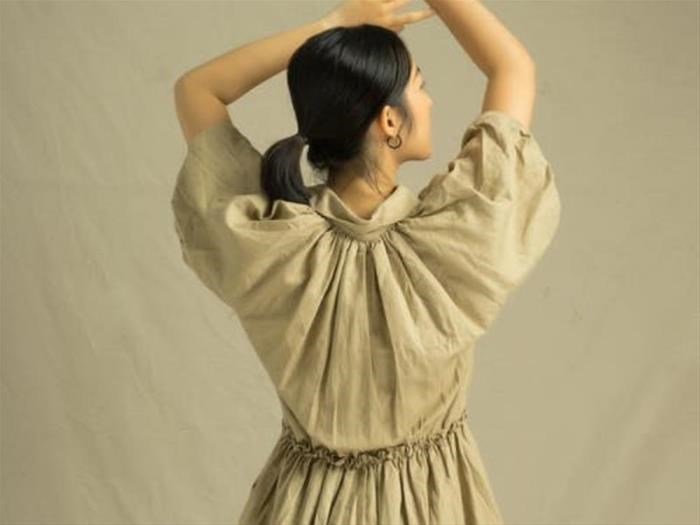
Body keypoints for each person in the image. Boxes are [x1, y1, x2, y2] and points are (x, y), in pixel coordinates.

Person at [171, 0, 561, 523]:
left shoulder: (269, 241)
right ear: (390, 120)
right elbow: (513, 68)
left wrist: (332, 26)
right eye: (421, 87)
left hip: (302, 507)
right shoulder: (454, 239)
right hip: (432, 506)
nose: (431, 100)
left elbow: (197, 90)